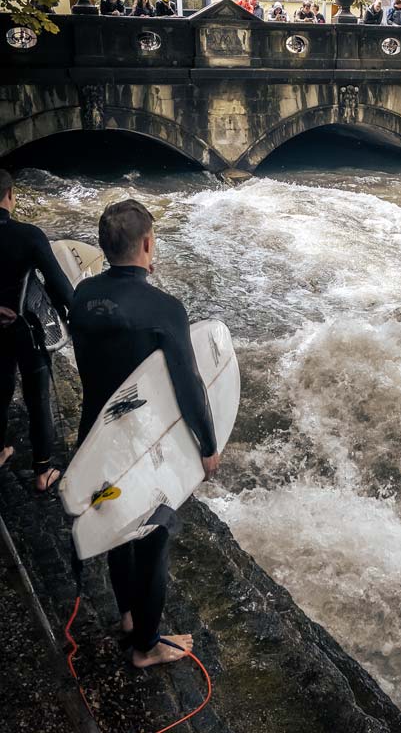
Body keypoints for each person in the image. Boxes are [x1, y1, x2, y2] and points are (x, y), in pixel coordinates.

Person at [69, 200, 220, 668]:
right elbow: (189, 384)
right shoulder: (164, 310)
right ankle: (147, 646)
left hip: (94, 437)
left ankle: (131, 617)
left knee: (118, 528)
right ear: (149, 244)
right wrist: (208, 446)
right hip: (142, 446)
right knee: (153, 536)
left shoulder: (81, 296)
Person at [0, 170, 73, 491]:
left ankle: (0, 450)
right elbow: (61, 286)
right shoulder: (29, 236)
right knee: (37, 397)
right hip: (25, 329)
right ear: (10, 195)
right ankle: (43, 472)